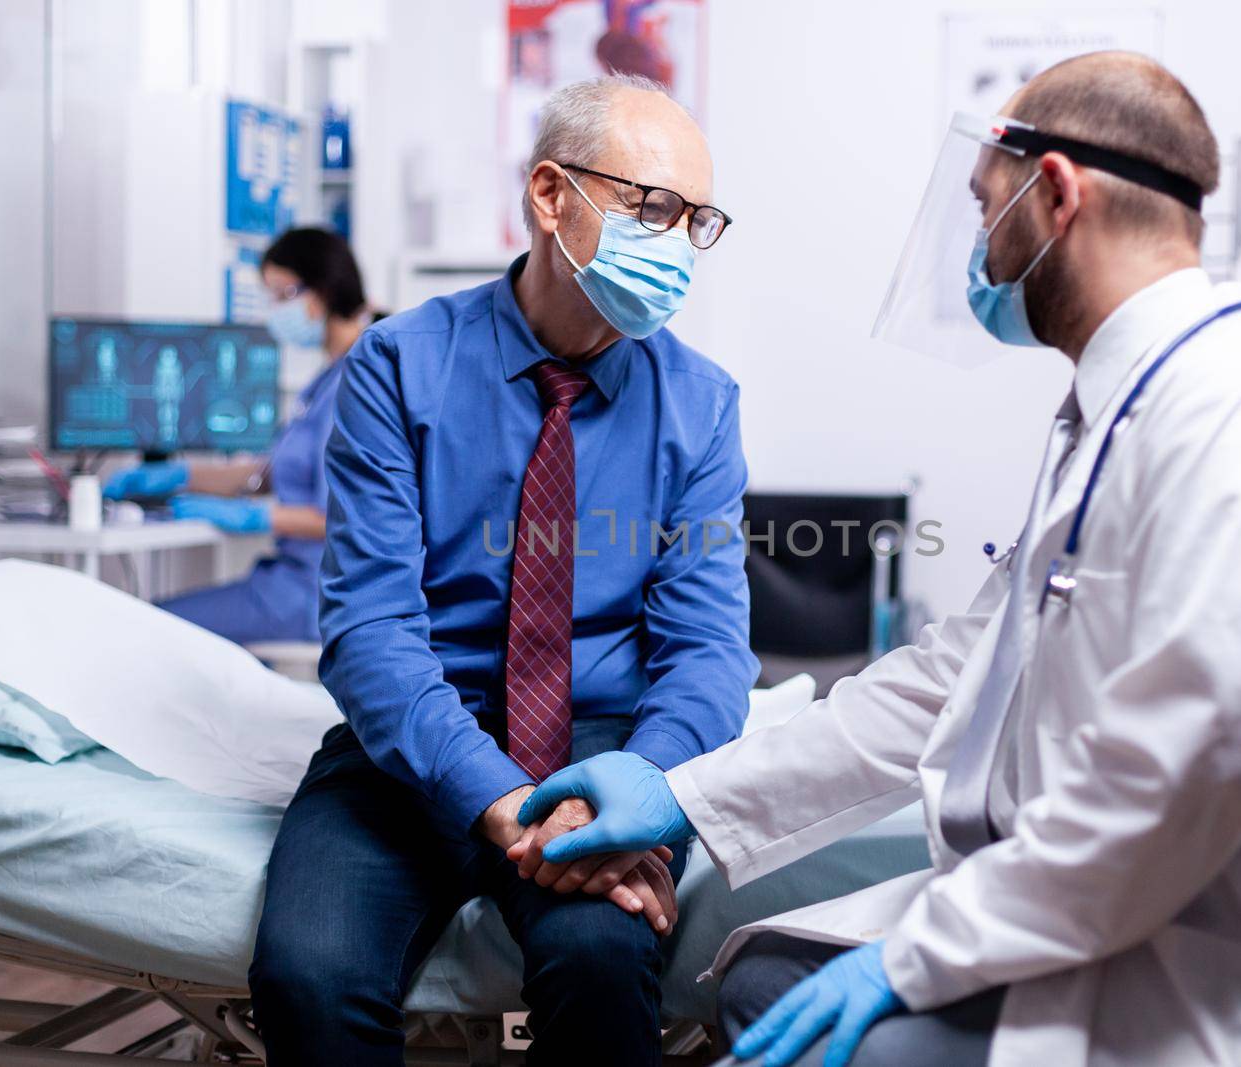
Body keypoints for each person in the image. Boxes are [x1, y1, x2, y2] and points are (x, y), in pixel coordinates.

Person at [514, 52, 1241, 1067]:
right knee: (764, 975)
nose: (974, 248)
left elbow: (1172, 787)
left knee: (833, 1026)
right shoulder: (1110, 419)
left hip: (1235, 967)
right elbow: (949, 678)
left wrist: (914, 957)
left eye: (983, 207)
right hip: (1110, 905)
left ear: (1054, 193)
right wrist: (688, 792)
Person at [247, 75, 757, 1065]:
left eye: (694, 220)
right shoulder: (401, 367)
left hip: (611, 744)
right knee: (307, 972)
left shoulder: (701, 406)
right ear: (550, 195)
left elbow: (706, 655)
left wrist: (639, 796)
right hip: (414, 738)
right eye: (650, 207)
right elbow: (371, 634)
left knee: (601, 957)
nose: (675, 241)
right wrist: (511, 805)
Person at [103, 227, 374, 645]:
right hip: (290, 579)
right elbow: (270, 473)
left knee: (146, 627)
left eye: (283, 295)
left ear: (322, 289)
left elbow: (347, 518)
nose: (274, 311)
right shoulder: (326, 379)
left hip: (321, 594)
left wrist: (250, 517)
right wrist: (180, 476)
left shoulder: (358, 382)